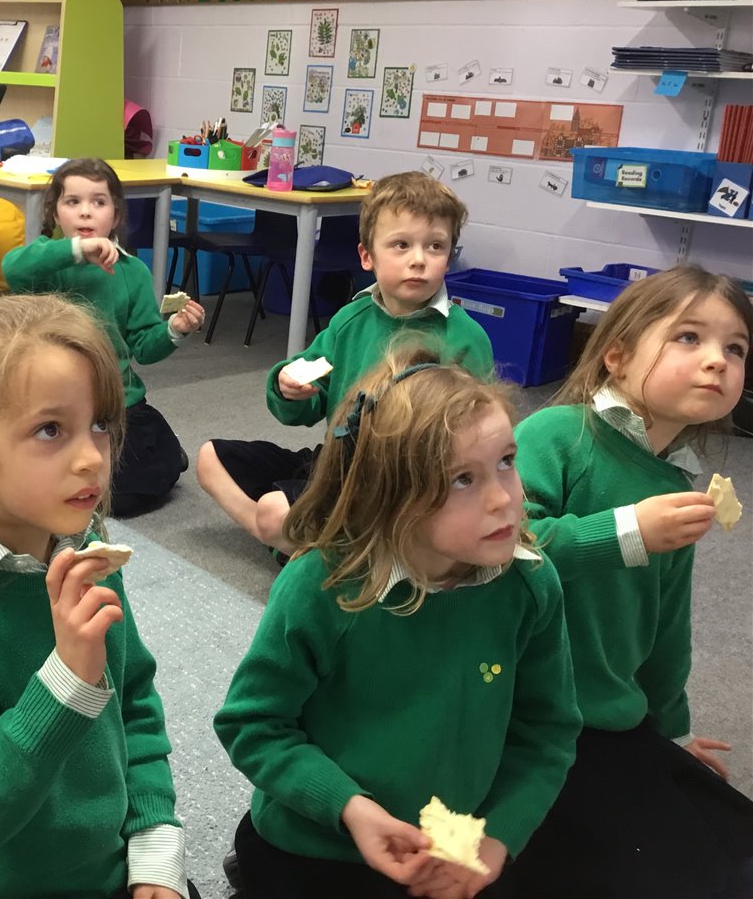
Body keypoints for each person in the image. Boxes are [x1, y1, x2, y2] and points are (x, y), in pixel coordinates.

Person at [214, 347, 580, 899]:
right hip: (315, 841)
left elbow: (547, 732)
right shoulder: (322, 586)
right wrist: (348, 808)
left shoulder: (529, 582)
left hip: (449, 851)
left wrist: (500, 837)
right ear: (390, 494)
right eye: (463, 479)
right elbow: (253, 724)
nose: (505, 499)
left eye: (506, 461)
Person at [0, 294, 199, 899]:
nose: (91, 458)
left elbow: (133, 706)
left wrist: (155, 844)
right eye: (51, 430)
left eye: (99, 424)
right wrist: (68, 678)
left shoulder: (89, 560)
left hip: (102, 873)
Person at [509, 266, 753, 899]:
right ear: (615, 357)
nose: (718, 361)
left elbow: (666, 623)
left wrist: (672, 731)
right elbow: (503, 549)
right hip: (519, 714)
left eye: (735, 348)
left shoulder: (674, 482)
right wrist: (627, 531)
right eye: (689, 337)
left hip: (609, 719)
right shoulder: (556, 435)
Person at [197, 170, 494, 557]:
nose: (419, 260)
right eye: (401, 245)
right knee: (210, 459)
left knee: (274, 512)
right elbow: (304, 405)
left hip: (405, 488)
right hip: (336, 464)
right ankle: (313, 547)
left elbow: (480, 441)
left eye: (435, 246)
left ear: (449, 256)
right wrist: (288, 387)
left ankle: (310, 545)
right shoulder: (349, 321)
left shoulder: (466, 338)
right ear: (367, 256)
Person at [2, 158, 205, 516]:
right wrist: (77, 250)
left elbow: (144, 346)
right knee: (27, 469)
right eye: (72, 202)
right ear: (55, 212)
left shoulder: (132, 271)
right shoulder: (48, 262)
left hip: (117, 402)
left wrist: (174, 330)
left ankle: (167, 451)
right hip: (56, 401)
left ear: (116, 214)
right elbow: (13, 268)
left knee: (128, 493)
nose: (85, 212)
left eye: (98, 202)